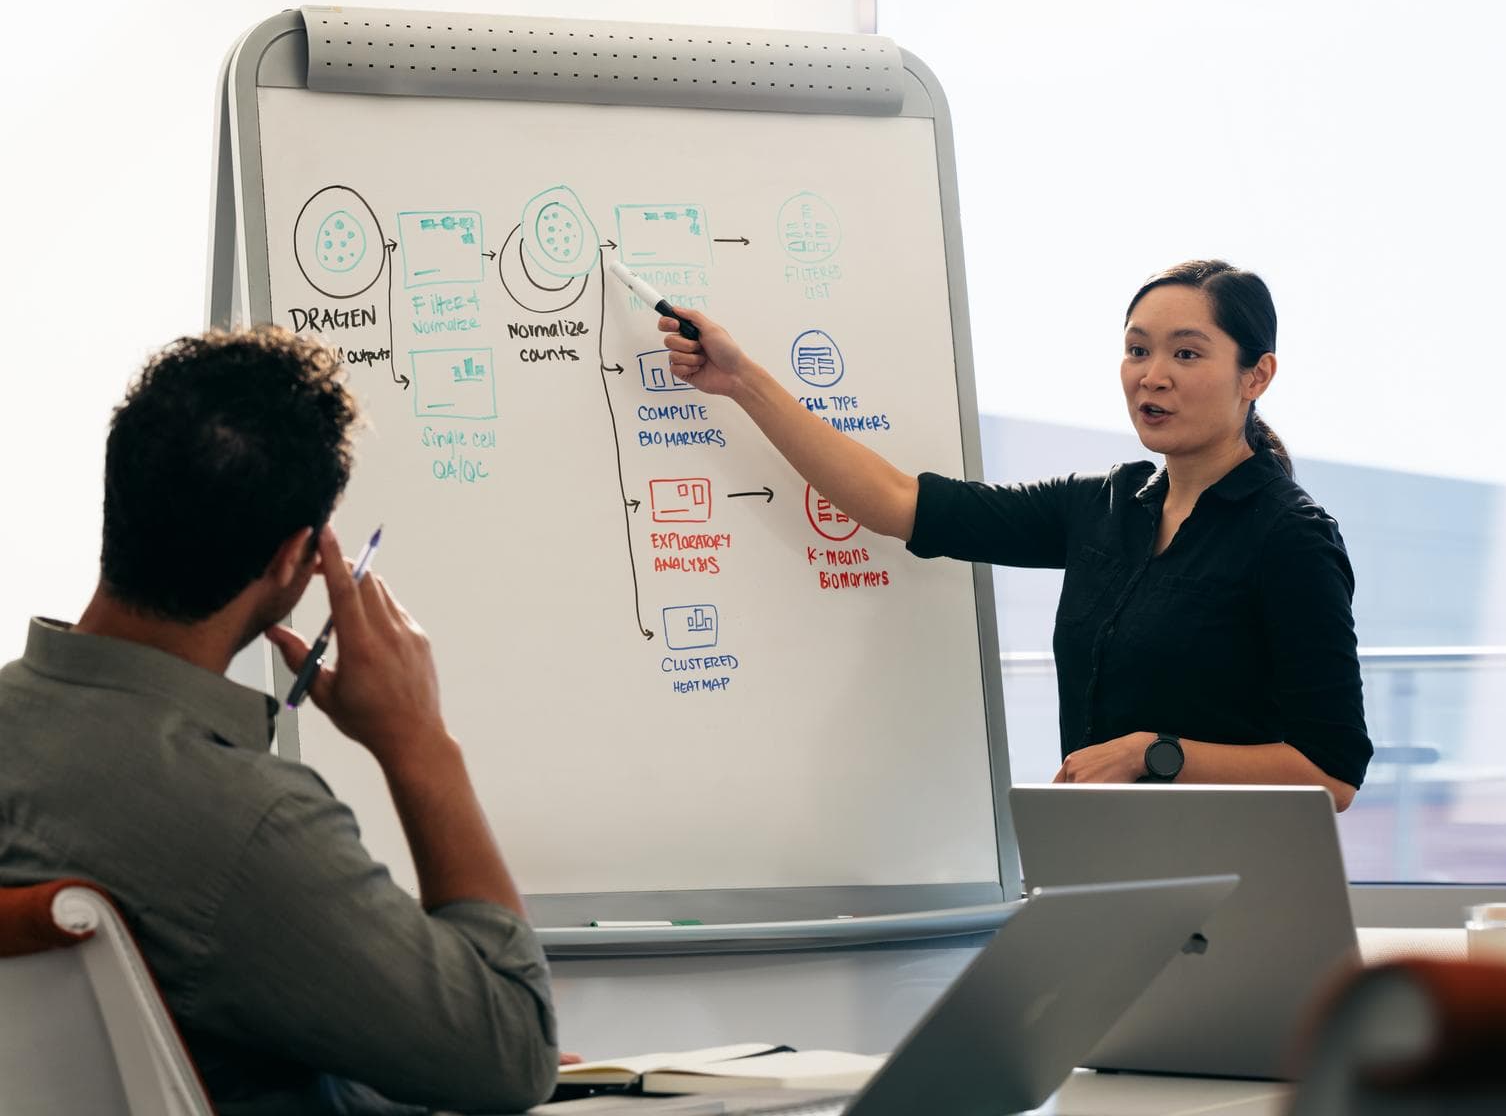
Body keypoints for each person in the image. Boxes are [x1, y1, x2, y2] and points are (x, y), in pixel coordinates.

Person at [0, 329, 559, 1114]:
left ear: (116, 497)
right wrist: (419, 744)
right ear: (297, 558)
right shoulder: (245, 822)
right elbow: (513, 1054)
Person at [659, 259, 1371, 807]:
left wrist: (1153, 754)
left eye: (1186, 354)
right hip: (1106, 880)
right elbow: (893, 499)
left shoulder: (1291, 537)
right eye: (1137, 350)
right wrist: (742, 381)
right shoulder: (1102, 507)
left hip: (1242, 893)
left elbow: (1331, 775)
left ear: (1257, 375)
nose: (1152, 377)